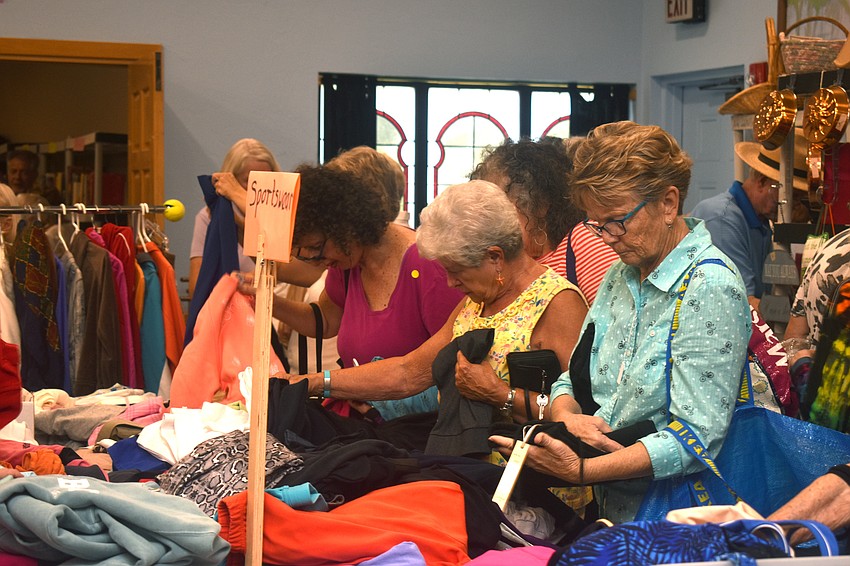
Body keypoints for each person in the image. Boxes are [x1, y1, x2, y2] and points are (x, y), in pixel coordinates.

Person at [490, 121, 751, 524]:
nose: (606, 237)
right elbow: (572, 380)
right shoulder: (621, 275)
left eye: (617, 220)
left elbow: (696, 438)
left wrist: (583, 470)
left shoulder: (708, 285)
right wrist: (566, 416)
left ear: (668, 203)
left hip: (674, 519)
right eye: (595, 223)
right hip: (615, 511)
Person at [287, 179, 587, 430]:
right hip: (475, 471)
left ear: (494, 257)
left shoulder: (558, 303)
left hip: (531, 483)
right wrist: (312, 382)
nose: (450, 284)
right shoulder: (477, 302)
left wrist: (501, 394)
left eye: (456, 271)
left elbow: (582, 412)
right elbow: (409, 372)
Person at [260, 163, 466, 420]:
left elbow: (450, 364)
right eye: (306, 256)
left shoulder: (424, 266)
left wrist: (333, 384)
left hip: (417, 431)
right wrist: (266, 300)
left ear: (345, 225)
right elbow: (323, 321)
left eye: (316, 247)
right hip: (366, 422)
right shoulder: (346, 264)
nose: (319, 261)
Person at [471, 137, 619, 305]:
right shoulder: (503, 266)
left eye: (499, 207)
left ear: (540, 206)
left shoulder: (585, 241)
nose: (489, 221)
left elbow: (615, 322)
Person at [689, 134, 808, 313]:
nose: (791, 206)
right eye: (788, 196)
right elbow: (744, 303)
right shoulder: (722, 218)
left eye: (797, 199)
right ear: (762, 182)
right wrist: (802, 315)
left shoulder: (761, 221)